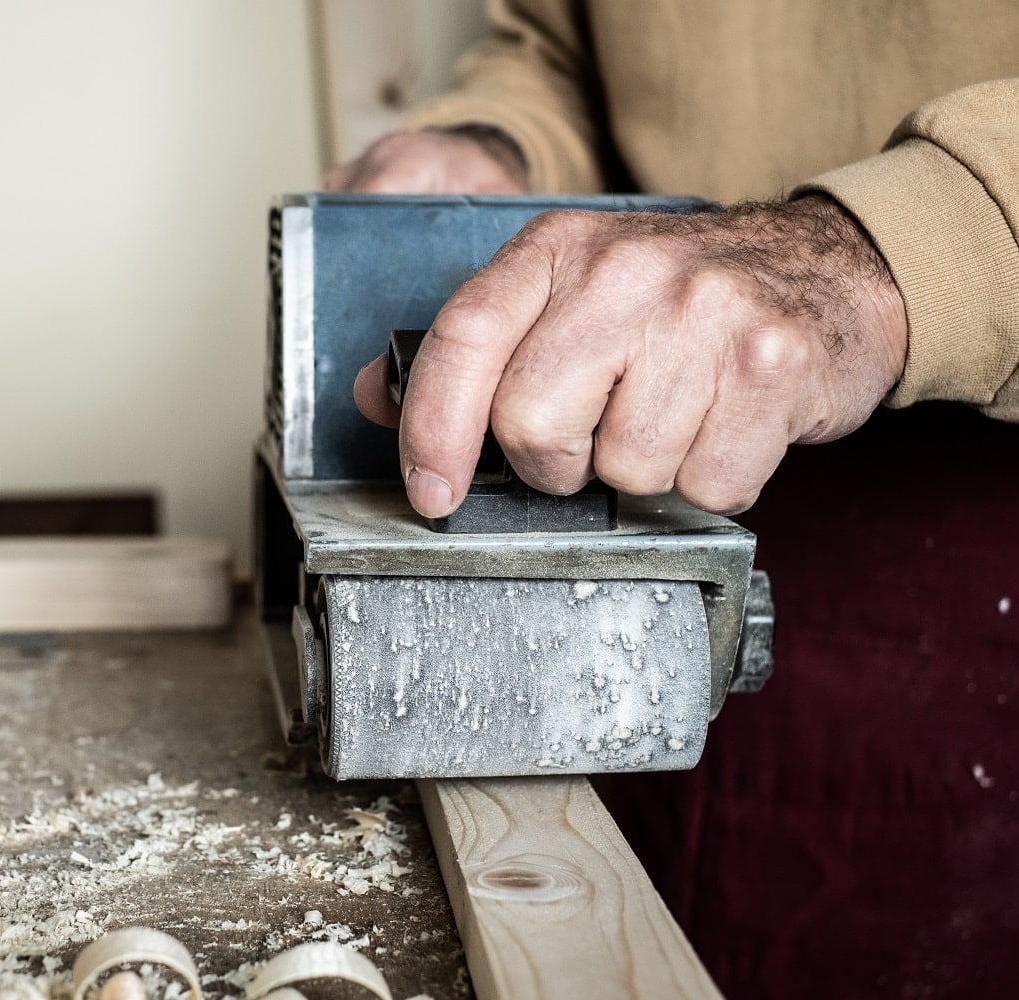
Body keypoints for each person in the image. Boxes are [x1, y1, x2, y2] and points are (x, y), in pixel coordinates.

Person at [327, 3, 1018, 998]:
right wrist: (502, 140)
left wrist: (884, 259)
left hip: (970, 562)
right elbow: (564, 47)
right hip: (639, 495)